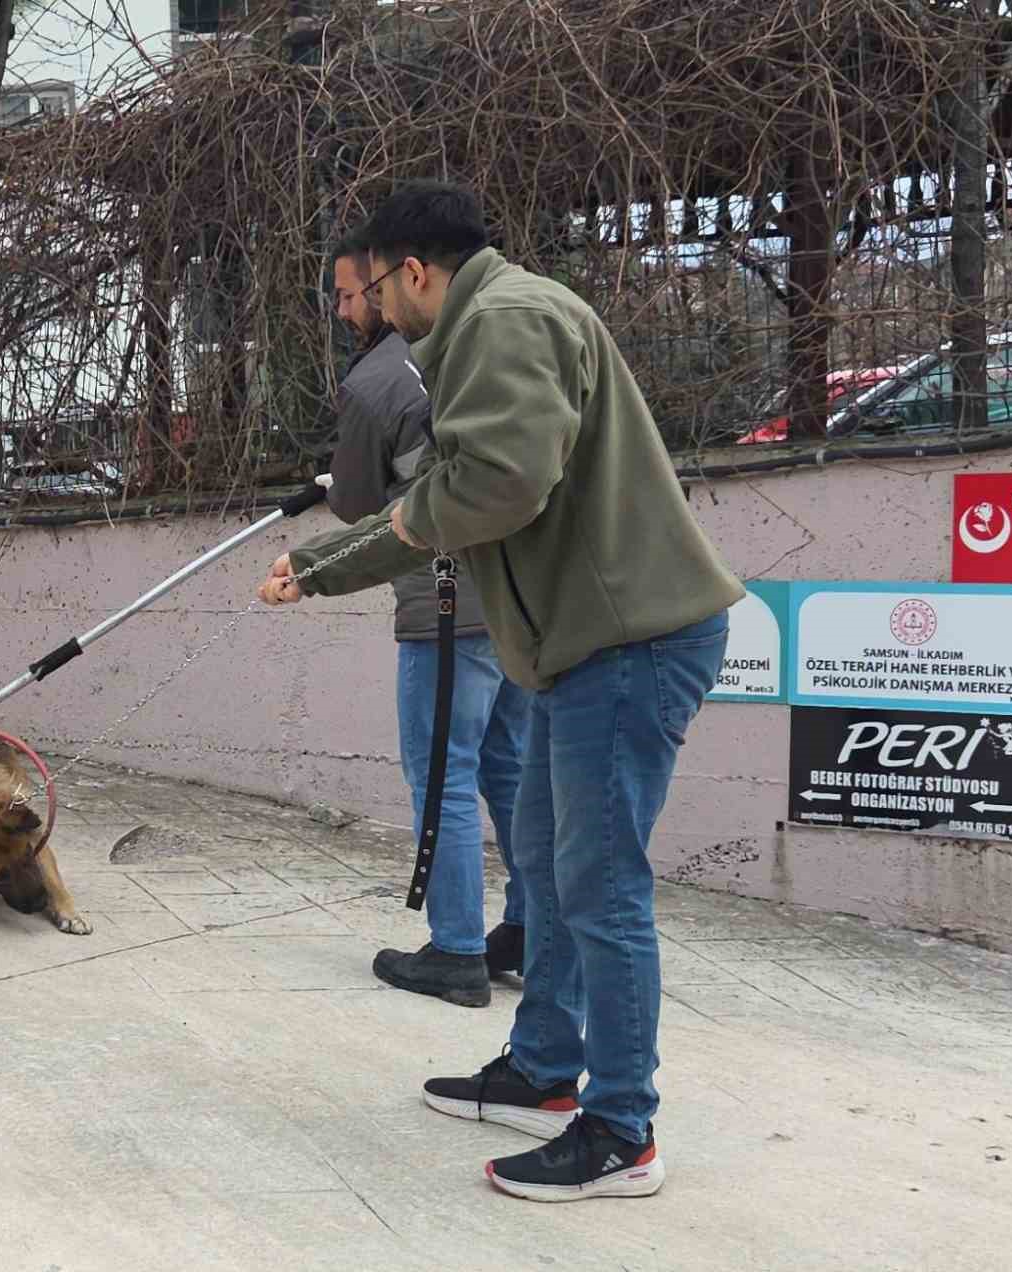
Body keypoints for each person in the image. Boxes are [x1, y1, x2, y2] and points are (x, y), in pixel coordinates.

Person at [257, 181, 743, 1202]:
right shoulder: (493, 319)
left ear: (415, 271)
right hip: (583, 650)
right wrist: (328, 561)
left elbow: (496, 485)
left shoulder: (506, 321)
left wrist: (339, 556)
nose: (374, 313)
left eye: (376, 290)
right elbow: (469, 486)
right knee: (546, 862)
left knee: (601, 888)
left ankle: (621, 1130)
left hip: (628, 643)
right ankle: (541, 1074)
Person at [324, 226, 533, 1008]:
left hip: (441, 609)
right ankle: (534, 934)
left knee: (442, 776)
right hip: (512, 601)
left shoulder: (377, 381)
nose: (348, 311)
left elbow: (351, 501)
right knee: (510, 772)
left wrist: (349, 471)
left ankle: (454, 951)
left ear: (388, 286)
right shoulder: (475, 349)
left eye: (353, 295)